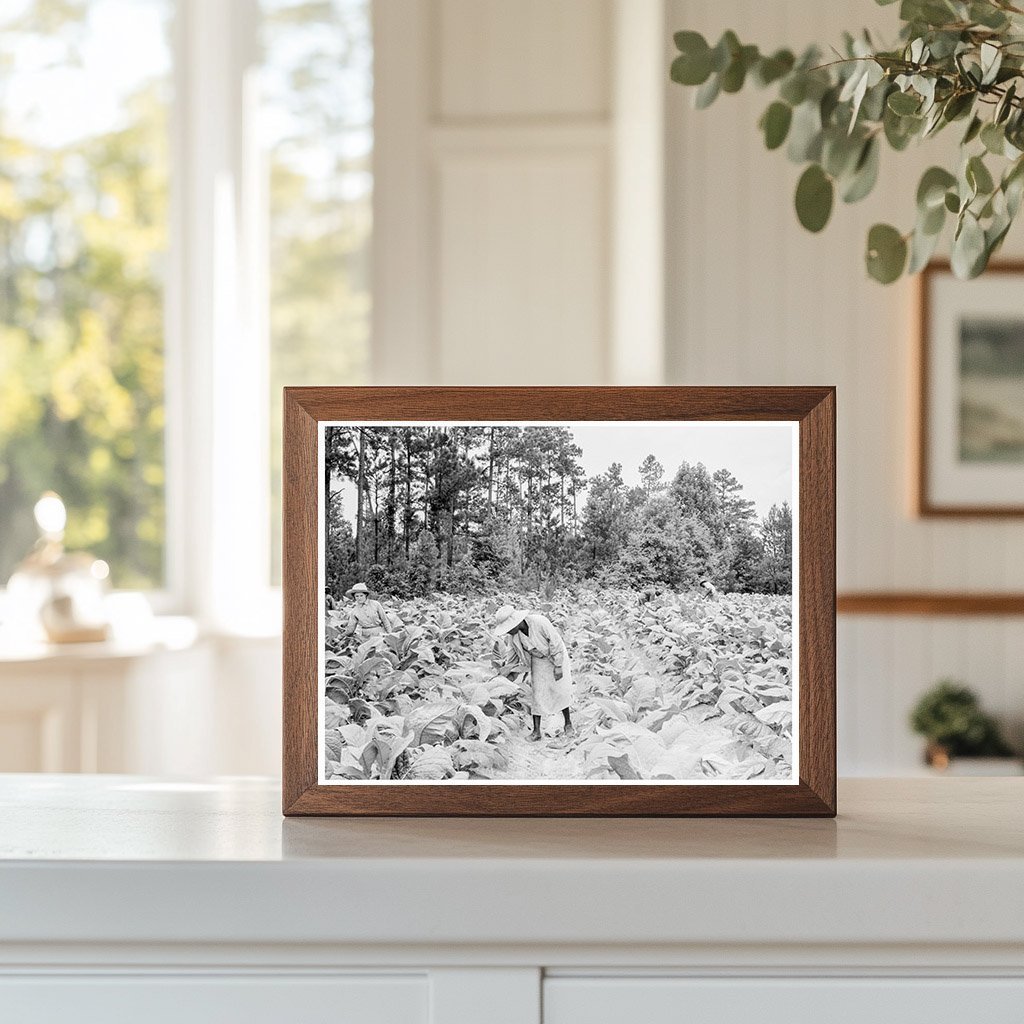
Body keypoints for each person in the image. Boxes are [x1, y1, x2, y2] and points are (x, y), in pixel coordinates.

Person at [493, 604, 574, 742]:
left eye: (509, 628)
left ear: (517, 622)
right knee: (537, 693)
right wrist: (504, 680)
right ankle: (536, 732)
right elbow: (512, 660)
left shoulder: (539, 622)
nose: (508, 631)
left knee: (560, 689)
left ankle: (568, 724)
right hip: (538, 660)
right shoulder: (513, 638)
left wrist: (558, 665)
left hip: (556, 655)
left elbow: (555, 642)